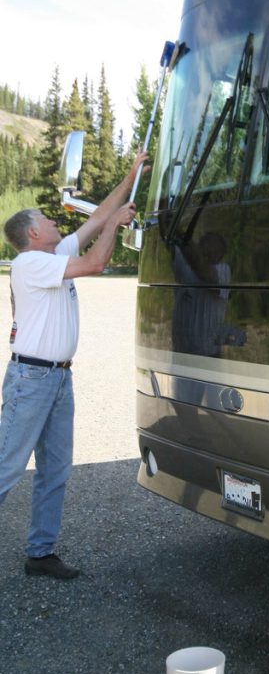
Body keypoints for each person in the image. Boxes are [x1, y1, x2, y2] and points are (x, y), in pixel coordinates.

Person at [0, 152, 147, 580]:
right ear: (31, 232)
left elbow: (99, 217)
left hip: (59, 378)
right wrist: (117, 226)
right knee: (7, 466)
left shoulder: (55, 252)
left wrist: (130, 175)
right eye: (47, 219)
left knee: (56, 469)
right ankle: (40, 550)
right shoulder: (30, 263)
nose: (55, 222)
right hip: (31, 379)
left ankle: (40, 553)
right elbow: (96, 262)